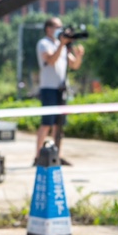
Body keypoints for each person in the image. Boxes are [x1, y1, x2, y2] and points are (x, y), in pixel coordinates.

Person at [35, 17, 84, 164]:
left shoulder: (61, 46)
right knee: (46, 123)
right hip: (48, 88)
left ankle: (57, 155)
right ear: (48, 29)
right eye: (57, 27)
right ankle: (38, 156)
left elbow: (74, 65)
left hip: (61, 89)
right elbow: (51, 60)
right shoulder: (44, 44)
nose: (60, 30)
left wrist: (79, 56)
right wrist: (62, 45)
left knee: (59, 124)